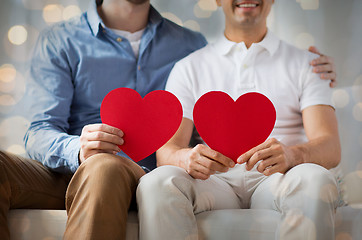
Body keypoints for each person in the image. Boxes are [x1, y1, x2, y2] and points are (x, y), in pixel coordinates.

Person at [0, 0, 336, 239]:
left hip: (122, 170)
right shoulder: (61, 40)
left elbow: (229, 73)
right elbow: (39, 131)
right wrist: (77, 147)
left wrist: (318, 69)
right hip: (69, 165)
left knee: (104, 166)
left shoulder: (187, 46)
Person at [136, 0, 341, 240]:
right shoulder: (188, 67)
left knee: (315, 178)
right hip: (213, 182)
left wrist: (292, 155)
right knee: (156, 182)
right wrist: (187, 158)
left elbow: (330, 146)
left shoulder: (310, 64)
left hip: (280, 178)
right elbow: (167, 152)